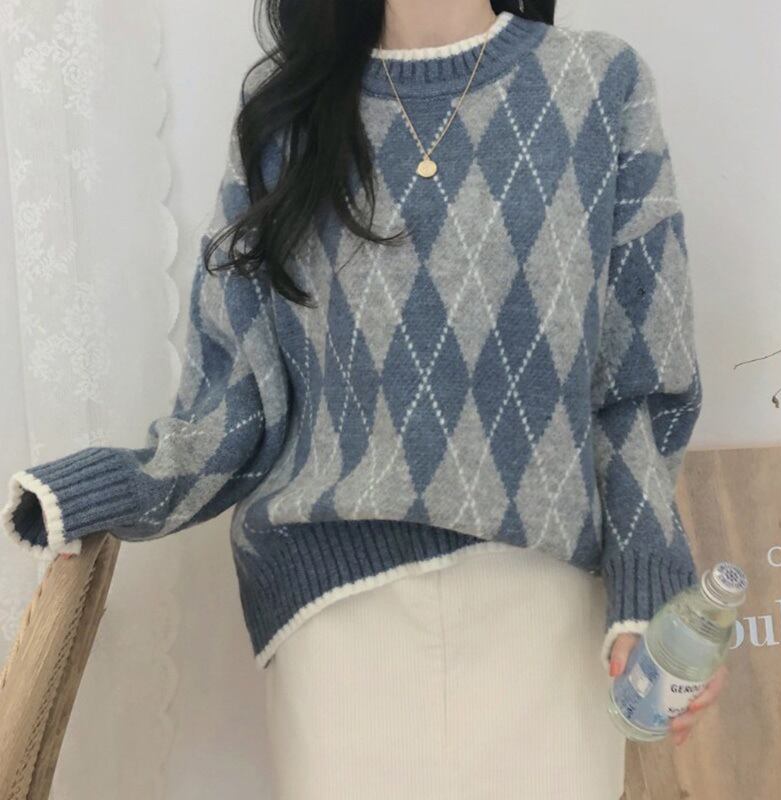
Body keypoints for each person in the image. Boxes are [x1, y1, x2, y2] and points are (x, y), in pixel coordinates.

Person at [2, 1, 728, 796]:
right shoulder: (288, 116)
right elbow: (238, 393)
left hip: (544, 610)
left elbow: (637, 381)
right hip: (340, 626)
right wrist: (111, 487)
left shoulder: (598, 82)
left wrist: (648, 588)